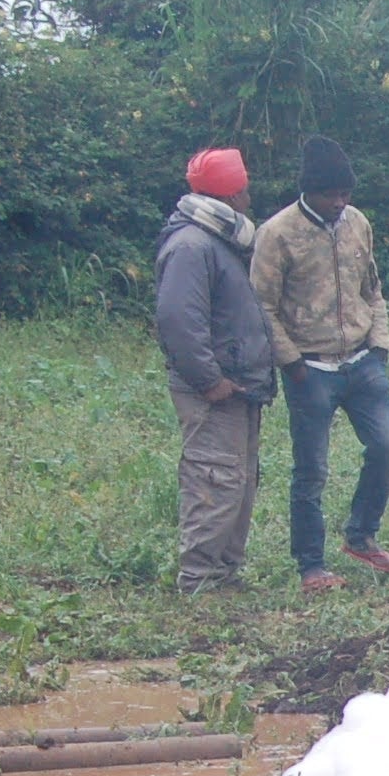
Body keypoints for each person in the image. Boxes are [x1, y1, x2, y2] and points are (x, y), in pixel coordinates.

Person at [252, 134, 389, 593]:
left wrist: (379, 344)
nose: (340, 202)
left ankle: (360, 536)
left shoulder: (358, 223)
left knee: (386, 449)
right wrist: (292, 362)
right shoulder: (276, 234)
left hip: (362, 361)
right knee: (311, 470)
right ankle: (311, 566)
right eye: (331, 194)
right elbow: (262, 306)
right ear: (309, 191)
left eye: (346, 194)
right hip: (310, 369)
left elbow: (372, 289)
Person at [151, 148, 280, 594]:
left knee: (238, 482)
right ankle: (200, 579)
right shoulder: (192, 245)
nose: (249, 193)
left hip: (238, 385)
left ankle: (223, 574)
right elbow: (177, 320)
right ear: (232, 190)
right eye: (243, 184)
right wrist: (208, 380)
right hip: (215, 388)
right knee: (213, 477)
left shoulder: (218, 239)